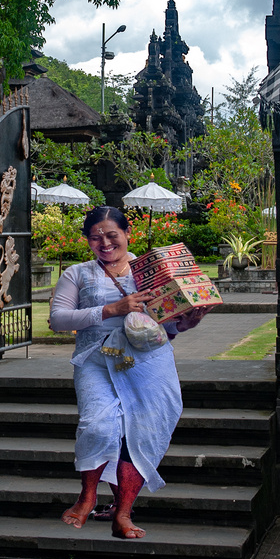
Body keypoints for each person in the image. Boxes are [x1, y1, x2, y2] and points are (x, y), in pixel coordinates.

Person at [49, 205, 207, 540]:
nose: (104, 243)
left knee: (146, 430)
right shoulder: (77, 274)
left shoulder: (151, 271)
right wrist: (111, 309)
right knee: (97, 424)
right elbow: (58, 320)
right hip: (96, 359)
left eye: (111, 235)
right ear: (87, 241)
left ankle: (123, 512)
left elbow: (169, 324)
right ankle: (88, 495)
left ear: (127, 234)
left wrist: (188, 321)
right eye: (95, 237)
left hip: (147, 360)